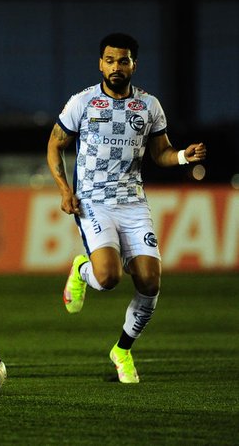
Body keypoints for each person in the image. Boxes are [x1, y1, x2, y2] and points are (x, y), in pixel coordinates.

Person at [46, 32, 207, 383]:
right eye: (109, 60)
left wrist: (182, 156)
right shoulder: (83, 102)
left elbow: (159, 153)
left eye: (123, 60)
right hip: (94, 202)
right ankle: (82, 270)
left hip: (133, 203)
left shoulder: (149, 106)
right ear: (100, 63)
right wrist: (64, 190)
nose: (116, 67)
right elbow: (54, 145)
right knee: (108, 277)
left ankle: (122, 350)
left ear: (134, 64)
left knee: (150, 282)